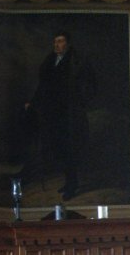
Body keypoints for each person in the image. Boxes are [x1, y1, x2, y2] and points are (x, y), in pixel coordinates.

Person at [23, 32, 95, 200]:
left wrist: (80, 101)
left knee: (71, 148)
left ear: (67, 44)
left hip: (70, 112)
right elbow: (43, 86)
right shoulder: (50, 61)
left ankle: (72, 184)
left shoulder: (76, 61)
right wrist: (33, 102)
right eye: (55, 41)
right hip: (54, 112)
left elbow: (89, 84)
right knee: (60, 148)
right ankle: (68, 181)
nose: (56, 44)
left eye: (60, 41)